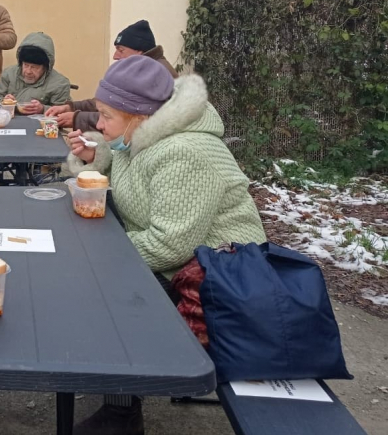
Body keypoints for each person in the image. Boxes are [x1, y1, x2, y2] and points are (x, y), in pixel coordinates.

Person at [65, 55, 266, 435]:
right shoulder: (140, 139)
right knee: (98, 287)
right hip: (184, 264)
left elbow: (167, 245)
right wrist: (96, 155)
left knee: (108, 295)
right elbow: (122, 173)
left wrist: (98, 254)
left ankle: (122, 414)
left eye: (106, 115)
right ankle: (115, 388)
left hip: (222, 280)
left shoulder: (185, 153)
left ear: (138, 116)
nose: (98, 124)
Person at [46, 19, 178, 131]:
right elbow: (109, 100)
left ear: (139, 51)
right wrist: (71, 107)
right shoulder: (142, 69)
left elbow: (124, 117)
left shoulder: (153, 74)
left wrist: (76, 118)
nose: (115, 56)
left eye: (121, 50)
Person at [0, 32, 71, 114]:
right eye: (26, 65)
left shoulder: (59, 83)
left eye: (35, 67)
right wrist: (3, 102)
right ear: (21, 62)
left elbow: (64, 113)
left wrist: (43, 109)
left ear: (45, 67)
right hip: (9, 123)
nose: (28, 71)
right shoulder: (9, 73)